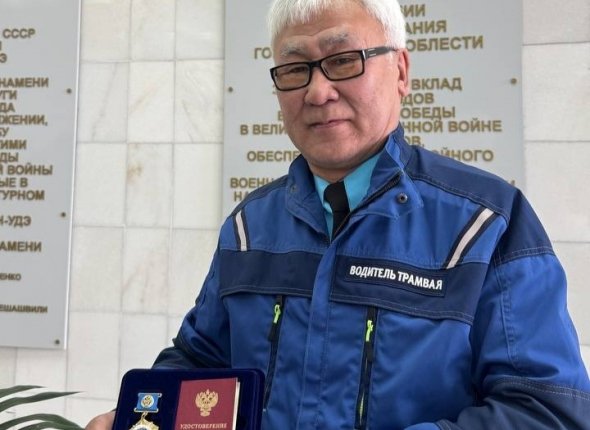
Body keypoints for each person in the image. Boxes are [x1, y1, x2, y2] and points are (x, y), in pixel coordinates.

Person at [87, 0, 590, 428]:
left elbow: (547, 410)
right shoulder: (249, 228)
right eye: (295, 69)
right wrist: (138, 416)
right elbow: (202, 361)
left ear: (401, 71)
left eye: (344, 60)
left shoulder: (487, 223)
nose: (317, 91)